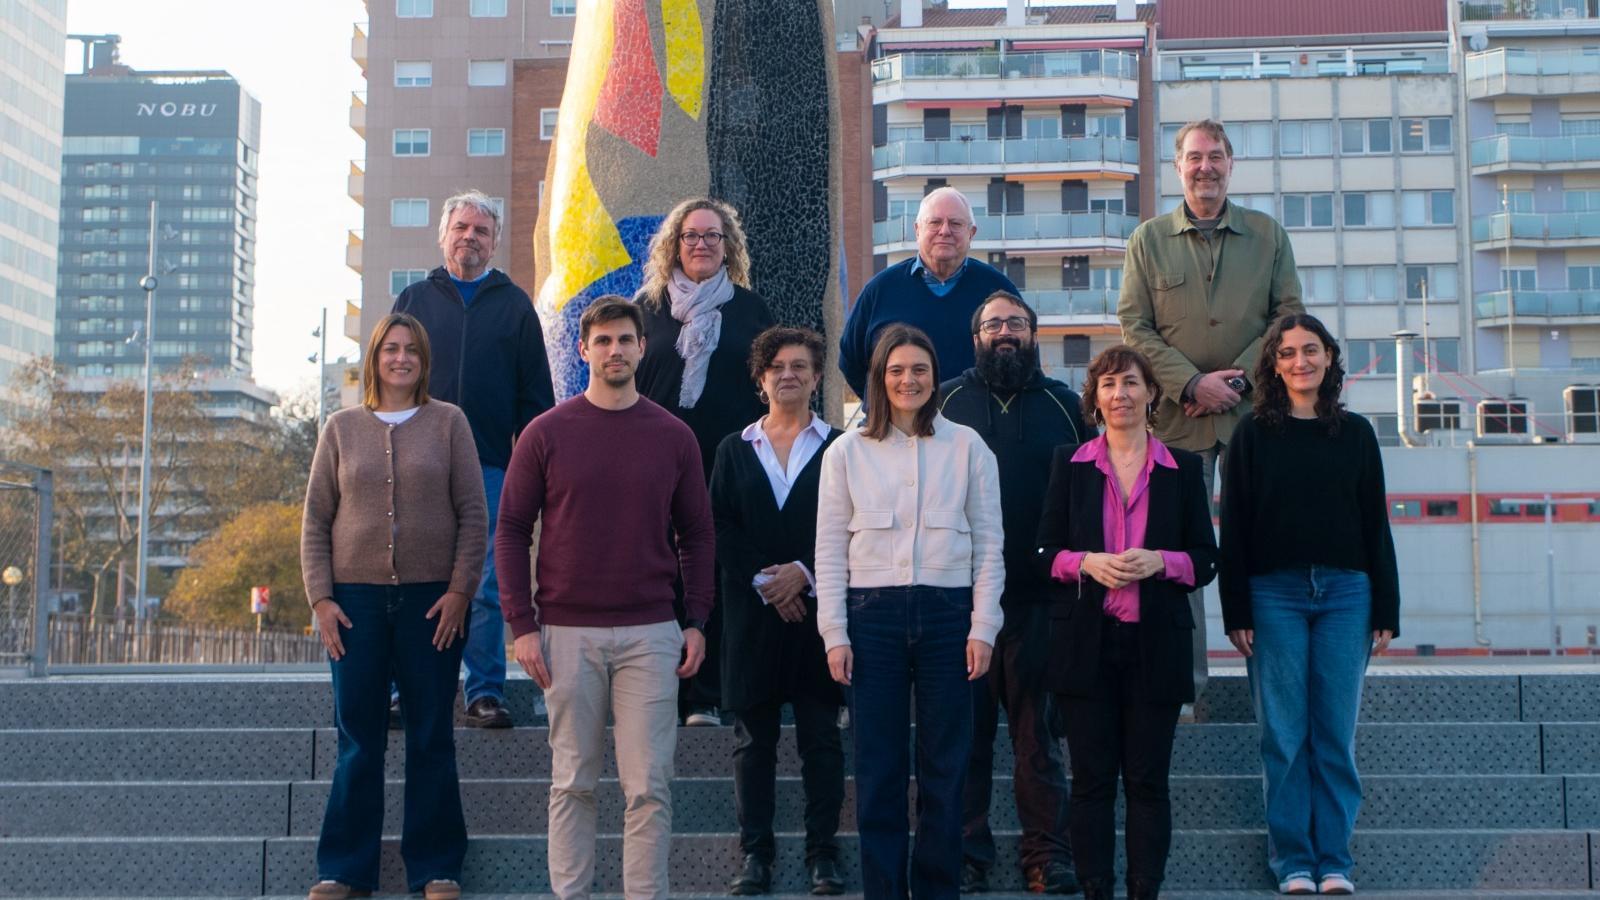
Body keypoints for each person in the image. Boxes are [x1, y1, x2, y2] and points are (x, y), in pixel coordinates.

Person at [495, 296, 714, 900]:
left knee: (649, 785)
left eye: (625, 340)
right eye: (603, 341)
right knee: (573, 782)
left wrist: (695, 620)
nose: (615, 350)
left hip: (651, 631)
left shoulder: (674, 437)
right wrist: (521, 624)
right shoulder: (546, 434)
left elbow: (697, 533)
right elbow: (512, 531)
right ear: (583, 349)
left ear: (643, 348)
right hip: (567, 633)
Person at [1118, 119, 1303, 712]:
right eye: (1195, 157)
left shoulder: (1268, 236)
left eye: (1216, 156)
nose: (1206, 167)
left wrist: (1239, 380)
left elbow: (1288, 316)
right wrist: (1190, 382)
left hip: (1257, 422)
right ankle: (1187, 694)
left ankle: (1274, 690)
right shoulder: (1148, 240)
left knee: (1268, 548)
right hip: (1178, 425)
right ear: (1178, 166)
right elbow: (1134, 326)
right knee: (1179, 558)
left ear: (1231, 164)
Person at [301, 313, 487, 900]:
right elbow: (315, 521)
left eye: (411, 349)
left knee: (432, 733)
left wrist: (460, 592)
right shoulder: (341, 427)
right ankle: (344, 869)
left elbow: (475, 516)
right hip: (353, 603)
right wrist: (322, 599)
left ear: (423, 360)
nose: (401, 358)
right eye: (390, 349)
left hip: (432, 604)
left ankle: (436, 868)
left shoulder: (448, 423)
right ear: (375, 358)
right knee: (358, 735)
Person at [815, 323, 1004, 900]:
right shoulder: (846, 452)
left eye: (919, 369)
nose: (908, 379)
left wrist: (983, 626)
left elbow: (990, 543)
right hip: (871, 618)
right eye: (896, 369)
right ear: (879, 377)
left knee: (947, 767)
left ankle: (938, 889)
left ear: (934, 376)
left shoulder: (969, 446)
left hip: (950, 616)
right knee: (878, 769)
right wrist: (834, 634)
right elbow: (827, 549)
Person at [1220, 314, 1400, 897]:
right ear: (1273, 363)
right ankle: (1294, 861)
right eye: (1290, 352)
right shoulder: (1250, 435)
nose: (1302, 361)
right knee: (1284, 733)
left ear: (1329, 358)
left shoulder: (1356, 434)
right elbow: (1236, 529)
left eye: (1312, 350)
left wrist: (1386, 609)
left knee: (1334, 734)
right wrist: (1236, 610)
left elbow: (1376, 523)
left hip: (1348, 594)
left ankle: (1335, 862)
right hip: (1274, 595)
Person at [1034, 344, 1219, 900]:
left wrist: (1163, 562)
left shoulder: (1183, 470)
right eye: (1110, 385)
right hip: (1085, 647)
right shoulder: (1069, 464)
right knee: (1089, 785)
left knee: (1147, 783)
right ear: (1096, 398)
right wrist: (1086, 562)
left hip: (1156, 646)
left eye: (1132, 383)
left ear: (1152, 394)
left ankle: (1144, 891)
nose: (1121, 394)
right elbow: (1043, 553)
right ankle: (1096, 891)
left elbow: (1206, 561)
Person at [938, 291, 1089, 895]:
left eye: (1016, 323)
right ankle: (967, 852)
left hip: (1039, 601)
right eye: (994, 322)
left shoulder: (1067, 405)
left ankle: (1045, 856)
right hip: (958, 600)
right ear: (975, 335)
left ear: (1034, 333)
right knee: (963, 738)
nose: (1005, 332)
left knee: (1039, 741)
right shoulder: (945, 400)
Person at [392, 189, 555, 729]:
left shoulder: (515, 306)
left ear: (495, 242)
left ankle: (483, 692)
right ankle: (402, 690)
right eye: (461, 227)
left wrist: (533, 472)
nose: (470, 237)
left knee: (486, 582)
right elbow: (385, 382)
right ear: (444, 235)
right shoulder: (413, 301)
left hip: (489, 467)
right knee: (412, 577)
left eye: (481, 231)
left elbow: (536, 400)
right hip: (415, 464)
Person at [710, 326, 846, 897]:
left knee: (821, 739)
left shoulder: (843, 446)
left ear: (817, 377)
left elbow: (852, 526)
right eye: (777, 367)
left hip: (821, 621)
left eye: (800, 365)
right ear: (761, 379)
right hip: (753, 618)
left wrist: (804, 575)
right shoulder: (732, 449)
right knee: (752, 744)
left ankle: (822, 855)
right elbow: (718, 526)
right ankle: (756, 856)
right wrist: (771, 581)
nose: (788, 374)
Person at [635, 196, 776, 728]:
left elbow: (767, 386)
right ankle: (661, 693)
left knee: (717, 574)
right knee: (660, 571)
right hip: (657, 462)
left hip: (726, 462)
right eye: (691, 236)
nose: (700, 244)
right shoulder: (647, 308)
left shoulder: (750, 309)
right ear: (674, 244)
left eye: (712, 236)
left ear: (728, 246)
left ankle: (708, 694)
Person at [838, 187, 1018, 400]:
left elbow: (1023, 359)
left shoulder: (998, 290)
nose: (944, 231)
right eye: (934, 222)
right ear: (917, 230)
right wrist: (886, 406)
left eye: (956, 223)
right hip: (897, 429)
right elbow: (850, 361)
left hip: (975, 428)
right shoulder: (880, 290)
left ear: (971, 233)